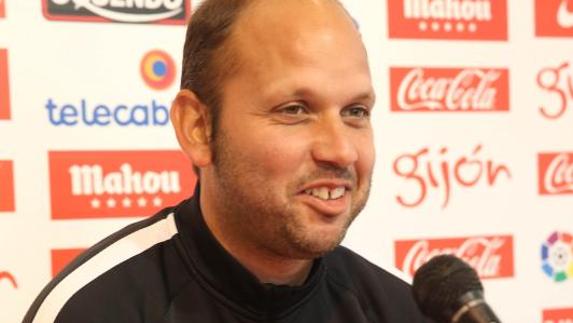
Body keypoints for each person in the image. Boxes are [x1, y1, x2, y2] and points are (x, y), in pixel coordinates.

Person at [24, 0, 431, 322]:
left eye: (355, 112)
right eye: (294, 109)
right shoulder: (92, 311)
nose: (341, 150)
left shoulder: (400, 310)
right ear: (198, 127)